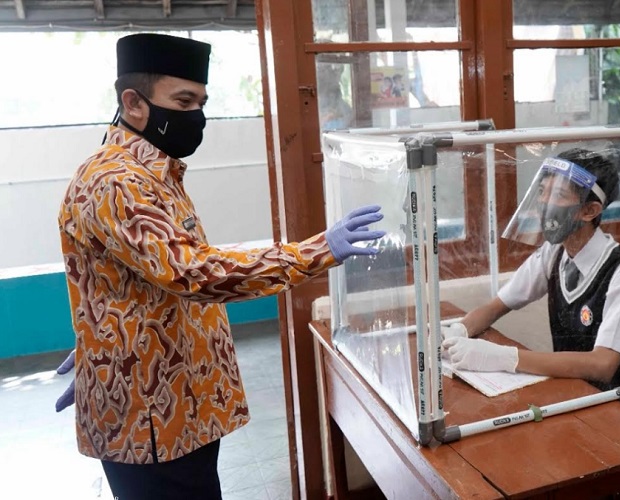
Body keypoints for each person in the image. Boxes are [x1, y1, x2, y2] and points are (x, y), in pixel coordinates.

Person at [53, 33, 384, 500]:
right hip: (152, 420)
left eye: (202, 101)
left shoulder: (154, 174)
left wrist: (103, 335)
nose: (197, 116)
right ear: (133, 102)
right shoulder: (118, 182)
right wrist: (316, 251)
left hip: (174, 401)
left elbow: (136, 274)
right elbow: (191, 271)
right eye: (183, 101)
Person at [441, 148, 620, 410]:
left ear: (590, 210)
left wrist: (506, 358)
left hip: (618, 412)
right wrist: (459, 330)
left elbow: (602, 365)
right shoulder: (554, 254)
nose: (545, 203)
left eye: (559, 194)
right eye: (542, 191)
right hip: (570, 397)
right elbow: (497, 305)